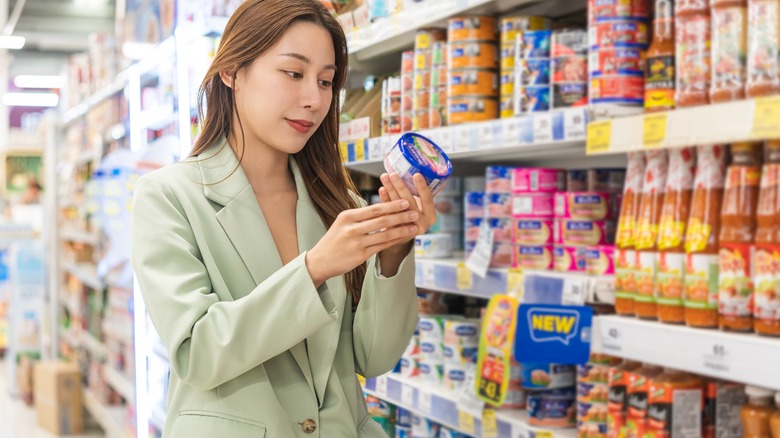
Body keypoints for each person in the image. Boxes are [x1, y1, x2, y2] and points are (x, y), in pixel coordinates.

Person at [130, 1, 437, 437]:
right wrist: (314, 269)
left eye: (326, 81)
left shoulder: (337, 201)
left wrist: (394, 251)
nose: (313, 99)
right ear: (232, 71)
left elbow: (374, 358)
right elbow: (197, 351)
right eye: (293, 74)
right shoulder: (169, 197)